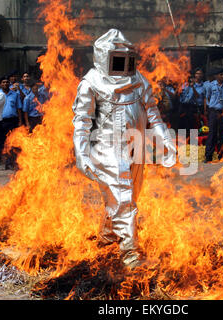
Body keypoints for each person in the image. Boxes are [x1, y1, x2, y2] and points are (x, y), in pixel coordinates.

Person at [72, 29, 176, 269]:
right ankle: (130, 254)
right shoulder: (91, 82)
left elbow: (152, 113)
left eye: (127, 59)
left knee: (127, 196)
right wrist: (82, 153)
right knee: (124, 198)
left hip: (135, 145)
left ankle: (107, 237)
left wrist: (166, 141)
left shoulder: (138, 79)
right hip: (107, 147)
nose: (124, 65)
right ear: (104, 58)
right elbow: (82, 122)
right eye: (118, 60)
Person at [204, 68, 223, 162]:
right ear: (216, 76)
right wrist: (209, 109)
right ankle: (208, 156)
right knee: (212, 134)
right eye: (221, 75)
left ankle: (222, 156)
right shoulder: (211, 85)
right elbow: (207, 97)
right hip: (213, 112)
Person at [0, 77, 23, 170]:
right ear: (0, 84)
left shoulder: (15, 94)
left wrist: (20, 121)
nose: (5, 84)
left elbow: (19, 108)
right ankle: (4, 162)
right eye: (3, 82)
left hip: (13, 121)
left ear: (9, 84)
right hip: (1, 121)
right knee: (3, 142)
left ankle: (12, 162)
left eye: (7, 82)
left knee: (13, 142)